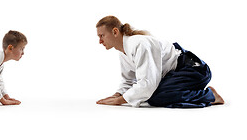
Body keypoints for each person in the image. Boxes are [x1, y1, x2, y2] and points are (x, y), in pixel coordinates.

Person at [95, 16, 224, 108]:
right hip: (176, 74)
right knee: (149, 95)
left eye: (102, 36)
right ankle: (186, 88)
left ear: (115, 31)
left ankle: (210, 95)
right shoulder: (123, 51)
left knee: (157, 96)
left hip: (194, 70)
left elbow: (148, 85)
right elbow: (129, 80)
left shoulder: (139, 44)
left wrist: (119, 101)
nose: (100, 41)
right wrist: (117, 94)